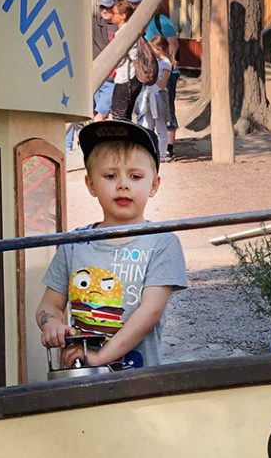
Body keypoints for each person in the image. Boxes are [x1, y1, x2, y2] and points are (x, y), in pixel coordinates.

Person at [36, 121, 186, 370]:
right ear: (91, 185)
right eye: (110, 176)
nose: (123, 184)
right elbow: (49, 305)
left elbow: (149, 313)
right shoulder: (73, 244)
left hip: (136, 378)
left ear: (154, 185)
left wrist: (100, 358)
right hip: (77, 373)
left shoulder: (162, 243)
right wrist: (51, 323)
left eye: (135, 176)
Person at [143, 0, 181, 154]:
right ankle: (152, 144)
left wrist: (168, 62)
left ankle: (169, 147)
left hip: (164, 73)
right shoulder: (141, 21)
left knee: (166, 109)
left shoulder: (162, 22)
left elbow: (174, 44)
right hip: (151, 71)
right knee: (150, 111)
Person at [108, 0, 148, 122]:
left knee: (119, 115)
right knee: (125, 115)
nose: (112, 15)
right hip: (129, 78)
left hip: (126, 78)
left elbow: (133, 54)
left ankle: (121, 140)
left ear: (123, 16)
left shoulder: (125, 33)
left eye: (115, 13)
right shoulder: (129, 31)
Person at [139, 35, 173, 163]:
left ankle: (162, 153)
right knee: (147, 124)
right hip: (149, 95)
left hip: (159, 95)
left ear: (160, 49)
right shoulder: (154, 61)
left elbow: (162, 83)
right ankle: (148, 151)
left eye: (154, 49)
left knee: (160, 125)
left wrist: (151, 80)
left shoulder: (165, 63)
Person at [93, 0, 117, 120]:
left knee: (102, 110)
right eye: (102, 7)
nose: (104, 10)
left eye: (107, 7)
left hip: (114, 75)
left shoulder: (121, 25)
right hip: (97, 72)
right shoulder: (95, 24)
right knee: (100, 109)